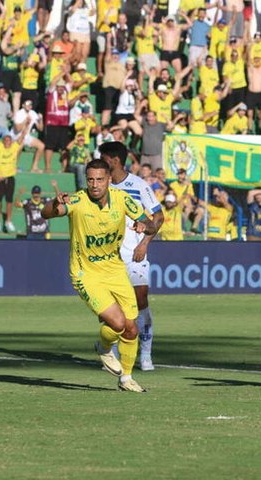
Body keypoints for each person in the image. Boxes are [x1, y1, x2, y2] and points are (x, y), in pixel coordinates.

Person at [41, 159, 158, 392]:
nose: (95, 185)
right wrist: (54, 203)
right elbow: (48, 213)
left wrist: (145, 227)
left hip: (114, 269)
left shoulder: (122, 199)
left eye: (100, 179)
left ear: (109, 180)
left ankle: (126, 378)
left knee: (131, 328)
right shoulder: (77, 200)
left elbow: (151, 223)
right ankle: (104, 349)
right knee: (116, 322)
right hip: (86, 273)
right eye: (91, 179)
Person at [102, 141, 164, 370]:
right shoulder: (101, 186)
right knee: (113, 308)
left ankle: (145, 354)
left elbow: (158, 217)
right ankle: (114, 354)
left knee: (140, 304)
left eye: (104, 158)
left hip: (133, 256)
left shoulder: (138, 185)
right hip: (108, 259)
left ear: (115, 160)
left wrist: (145, 243)